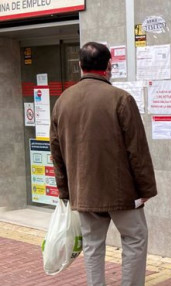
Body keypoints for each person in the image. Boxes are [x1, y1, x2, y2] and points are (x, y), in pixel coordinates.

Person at [50, 42, 157, 286]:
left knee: (92, 246)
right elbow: (137, 151)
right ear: (109, 66)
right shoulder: (121, 99)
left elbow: (56, 152)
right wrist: (146, 190)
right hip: (122, 192)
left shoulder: (62, 101)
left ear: (80, 66)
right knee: (135, 239)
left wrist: (65, 191)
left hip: (83, 191)